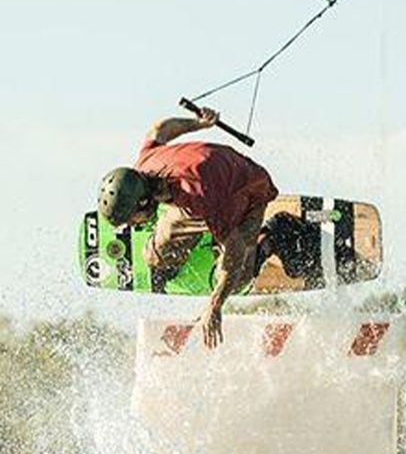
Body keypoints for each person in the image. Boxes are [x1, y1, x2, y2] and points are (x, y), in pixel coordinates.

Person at [98, 108, 279, 348]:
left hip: (248, 188)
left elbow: (234, 247)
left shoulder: (201, 196)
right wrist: (199, 123)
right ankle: (207, 234)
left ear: (144, 202)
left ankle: (270, 237)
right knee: (155, 257)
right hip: (196, 192)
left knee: (238, 277)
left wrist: (214, 306)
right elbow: (160, 129)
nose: (131, 225)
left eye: (132, 220)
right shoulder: (144, 163)